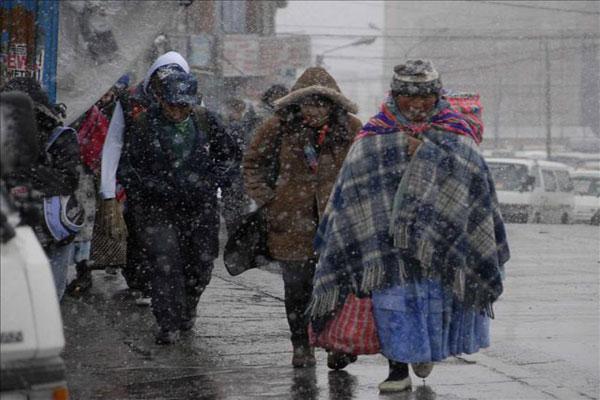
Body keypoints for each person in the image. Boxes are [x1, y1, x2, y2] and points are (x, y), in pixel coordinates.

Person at [308, 60, 510, 393]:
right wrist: (397, 150)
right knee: (393, 305)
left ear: (437, 96)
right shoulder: (376, 133)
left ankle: (423, 352)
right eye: (408, 97)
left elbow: (472, 182)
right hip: (387, 246)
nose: (416, 104)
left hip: (439, 244)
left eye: (424, 97)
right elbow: (354, 185)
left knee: (432, 304)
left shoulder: (455, 132)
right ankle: (397, 368)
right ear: (395, 95)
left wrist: (428, 153)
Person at [103, 59, 239, 344]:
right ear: (161, 100)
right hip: (157, 209)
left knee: (200, 264)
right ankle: (167, 322)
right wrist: (153, 186)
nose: (177, 111)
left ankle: (188, 306)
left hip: (200, 208)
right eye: (171, 104)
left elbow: (230, 157)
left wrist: (211, 180)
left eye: (183, 105)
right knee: (164, 262)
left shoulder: (206, 121)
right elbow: (128, 167)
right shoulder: (144, 125)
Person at [243, 67, 362, 368]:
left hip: (338, 222)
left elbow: (364, 168)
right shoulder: (278, 127)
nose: (315, 111)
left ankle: (337, 343)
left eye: (322, 104)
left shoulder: (351, 128)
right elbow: (253, 164)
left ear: (333, 105)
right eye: (309, 103)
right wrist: (269, 200)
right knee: (297, 288)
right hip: (290, 222)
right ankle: (301, 344)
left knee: (338, 285)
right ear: (298, 103)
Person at [100, 53, 191, 306]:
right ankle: (141, 283)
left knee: (177, 239)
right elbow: (114, 142)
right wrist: (108, 187)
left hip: (178, 184)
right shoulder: (130, 100)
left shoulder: (189, 98)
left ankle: (168, 285)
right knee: (138, 231)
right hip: (138, 179)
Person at [1, 78, 82, 301]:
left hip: (51, 229)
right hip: (13, 232)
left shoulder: (60, 137)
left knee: (48, 299)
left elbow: (68, 180)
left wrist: (25, 175)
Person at [66, 75, 131, 296]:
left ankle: (83, 269)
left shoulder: (96, 115)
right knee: (74, 221)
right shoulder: (88, 113)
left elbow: (104, 145)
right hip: (73, 175)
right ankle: (81, 268)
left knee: (83, 222)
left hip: (85, 177)